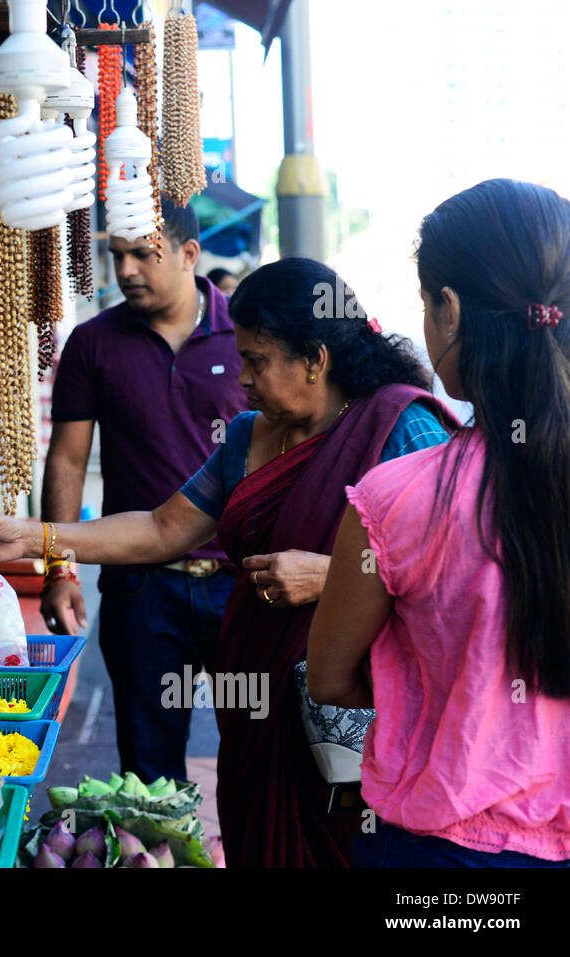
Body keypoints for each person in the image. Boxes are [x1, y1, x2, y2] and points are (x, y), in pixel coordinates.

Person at [0, 257, 456, 867]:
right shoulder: (247, 437)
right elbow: (160, 529)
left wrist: (329, 577)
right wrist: (36, 540)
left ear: (315, 359)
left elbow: (450, 577)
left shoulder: (400, 429)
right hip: (256, 707)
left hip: (355, 715)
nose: (242, 378)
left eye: (258, 361)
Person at [309, 179, 570, 868]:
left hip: (442, 859)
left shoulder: (397, 498)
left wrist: (440, 686)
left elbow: (331, 676)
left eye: (427, 304)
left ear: (449, 311)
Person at [44, 198, 246, 784]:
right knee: (148, 774)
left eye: (142, 254)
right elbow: (67, 460)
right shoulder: (92, 344)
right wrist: (60, 570)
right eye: (116, 256)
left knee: (257, 756)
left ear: (188, 255)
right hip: (141, 588)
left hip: (243, 583)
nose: (126, 270)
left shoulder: (248, 336)